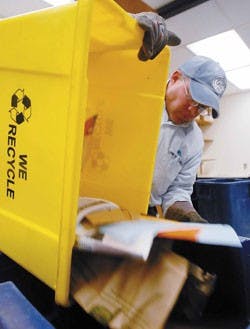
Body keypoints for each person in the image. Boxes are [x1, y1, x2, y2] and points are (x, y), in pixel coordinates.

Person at [148, 56, 227, 222]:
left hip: (145, 212)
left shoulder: (194, 140)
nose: (193, 110)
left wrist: (189, 217)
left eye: (202, 106)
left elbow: (178, 189)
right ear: (175, 78)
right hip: (96, 197)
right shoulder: (140, 98)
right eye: (192, 98)